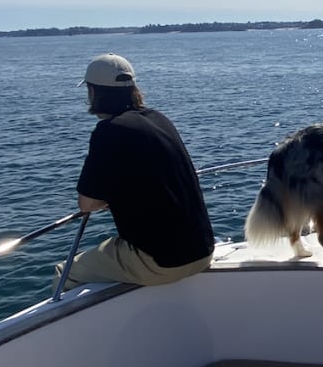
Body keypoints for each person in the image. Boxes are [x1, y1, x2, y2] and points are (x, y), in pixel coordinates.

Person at [55, 53, 214, 292]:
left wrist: (109, 199)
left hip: (162, 263)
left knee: (65, 272)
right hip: (203, 251)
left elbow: (86, 204)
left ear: (94, 93)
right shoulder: (159, 119)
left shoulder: (108, 132)